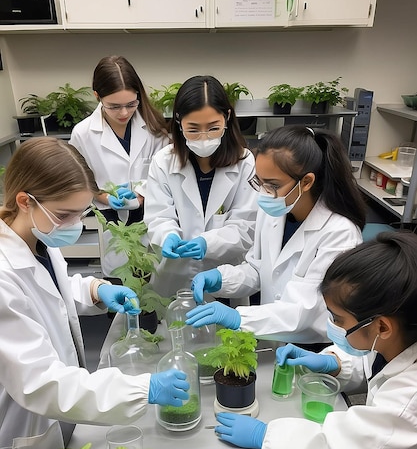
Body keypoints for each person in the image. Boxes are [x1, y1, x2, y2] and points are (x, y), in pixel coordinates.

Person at [0, 138, 189, 449]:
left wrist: (95, 289)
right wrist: (143, 389)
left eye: (81, 212)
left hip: (57, 416)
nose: (74, 223)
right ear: (25, 200)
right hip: (23, 429)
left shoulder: (36, 240)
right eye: (65, 214)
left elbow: (50, 287)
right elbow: (41, 382)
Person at [213, 232, 417, 449]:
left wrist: (267, 435)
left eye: (338, 320)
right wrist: (334, 365)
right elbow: (376, 362)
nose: (333, 327)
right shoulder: (400, 337)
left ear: (382, 325)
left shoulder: (411, 398)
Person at [186, 125, 366, 347]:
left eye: (273, 185)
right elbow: (258, 269)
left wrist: (238, 317)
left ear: (307, 182)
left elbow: (305, 310)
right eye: (259, 182)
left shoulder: (339, 233)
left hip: (314, 347)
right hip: (274, 335)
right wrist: (221, 279)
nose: (264, 193)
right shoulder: (274, 211)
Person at [143, 74, 258, 298]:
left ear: (227, 117)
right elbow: (158, 217)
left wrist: (208, 243)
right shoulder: (164, 161)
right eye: (193, 129)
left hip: (225, 278)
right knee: (173, 328)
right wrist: (167, 237)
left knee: (224, 330)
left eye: (213, 128)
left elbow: (246, 226)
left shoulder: (245, 162)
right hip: (173, 277)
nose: (204, 137)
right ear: (178, 121)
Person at [70, 55, 169, 276]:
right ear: (97, 96)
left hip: (152, 216)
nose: (124, 113)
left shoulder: (155, 128)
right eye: (114, 106)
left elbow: (165, 175)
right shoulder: (83, 133)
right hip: (111, 221)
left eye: (131, 104)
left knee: (155, 287)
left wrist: (140, 196)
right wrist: (105, 197)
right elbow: (80, 180)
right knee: (122, 285)